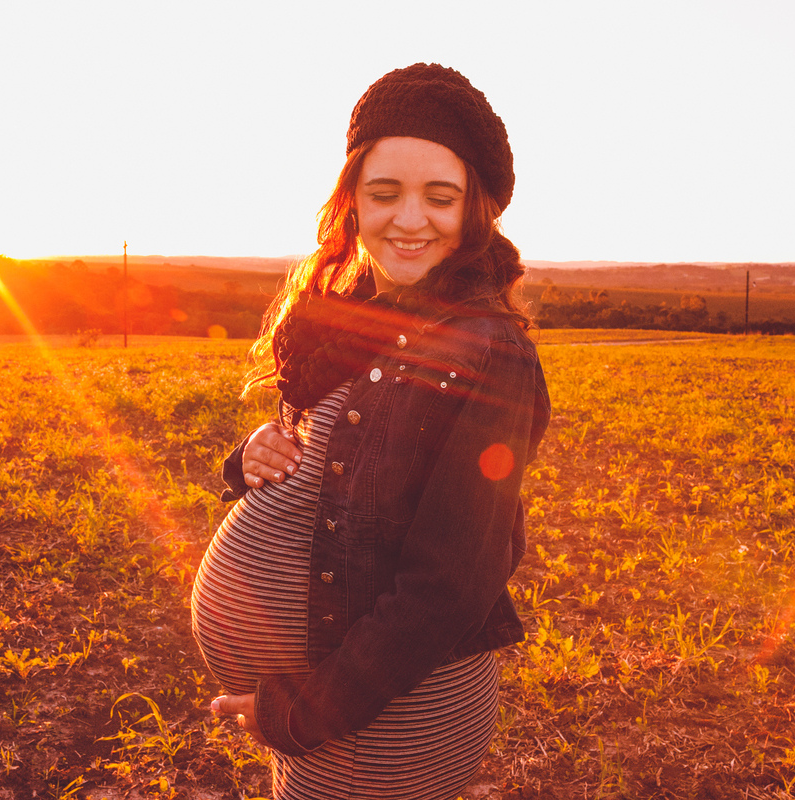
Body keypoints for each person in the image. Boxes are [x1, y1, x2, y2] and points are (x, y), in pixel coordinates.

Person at [190, 63, 551, 800]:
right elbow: (337, 466)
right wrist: (253, 457)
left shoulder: (487, 352)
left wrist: (301, 715)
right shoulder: (352, 317)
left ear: (475, 209)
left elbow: (449, 586)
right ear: (352, 198)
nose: (408, 218)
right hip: (333, 704)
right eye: (384, 193)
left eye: (439, 197)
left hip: (392, 719)